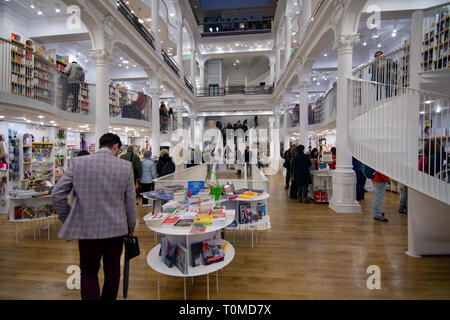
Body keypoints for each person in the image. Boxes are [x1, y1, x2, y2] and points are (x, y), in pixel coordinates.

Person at [51, 133, 137, 300]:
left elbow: (57, 194)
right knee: (112, 271)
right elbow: (130, 203)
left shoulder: (78, 163)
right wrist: (131, 226)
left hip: (86, 229)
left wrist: (67, 217)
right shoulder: (125, 167)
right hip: (116, 230)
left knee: (88, 271)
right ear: (115, 147)